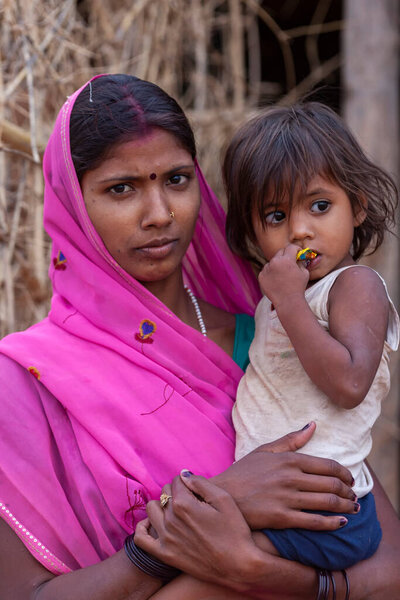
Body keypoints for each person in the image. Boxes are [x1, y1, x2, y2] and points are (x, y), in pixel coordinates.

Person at [0, 75, 399, 600]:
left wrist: (262, 575)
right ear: (72, 204)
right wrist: (207, 510)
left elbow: (390, 566)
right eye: (121, 188)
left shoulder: (270, 340)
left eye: (177, 179)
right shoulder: (25, 382)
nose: (160, 214)